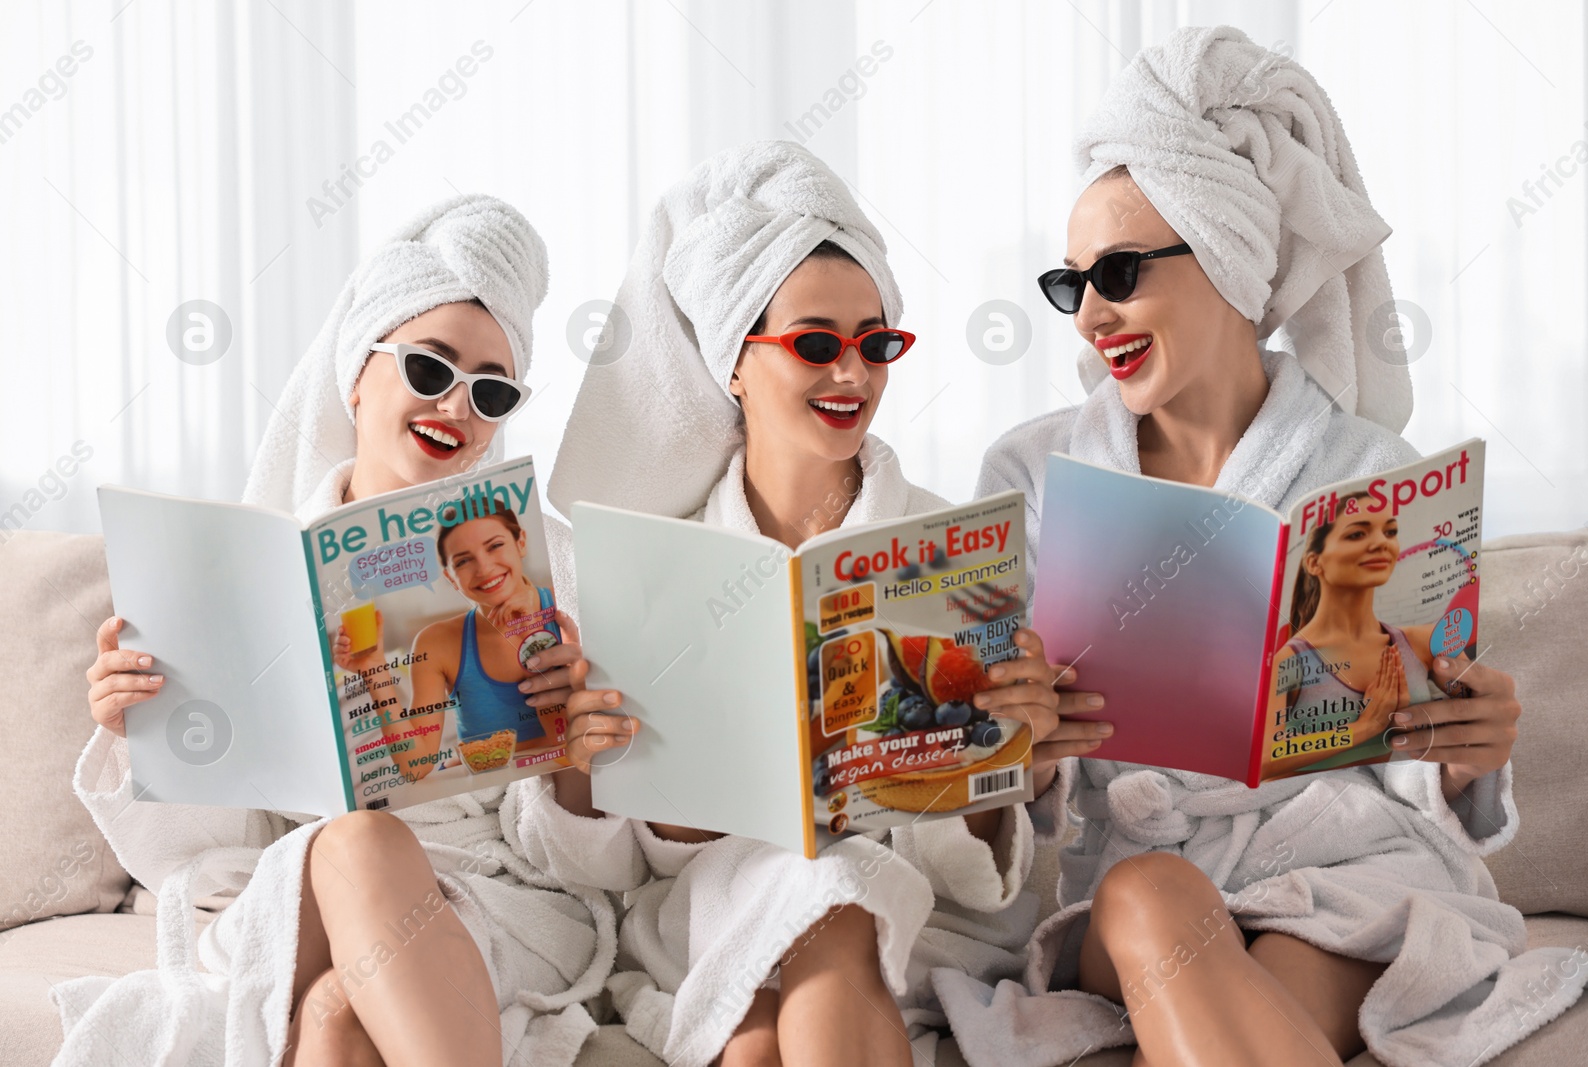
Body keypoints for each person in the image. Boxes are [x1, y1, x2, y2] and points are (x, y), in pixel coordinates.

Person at [930, 27, 1588, 1067]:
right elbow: (984, 781)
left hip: (1344, 870)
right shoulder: (1032, 474)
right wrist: (1021, 746)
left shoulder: (1367, 469)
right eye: (1072, 284)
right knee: (1152, 895)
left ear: (1230, 260)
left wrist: (1463, 754)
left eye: (1120, 270)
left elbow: (1410, 741)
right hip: (1138, 869)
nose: (1090, 313)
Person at [519, 140, 1061, 1067]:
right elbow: (601, 866)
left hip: (908, 910)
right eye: (816, 343)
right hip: (717, 904)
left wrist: (1016, 761)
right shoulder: (653, 563)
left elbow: (985, 879)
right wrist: (584, 764)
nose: (853, 374)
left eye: (876, 343)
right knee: (822, 901)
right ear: (735, 361)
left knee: (767, 1027)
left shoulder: (958, 552)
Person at [63, 196, 610, 1067]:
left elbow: (586, 853)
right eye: (430, 369)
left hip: (504, 894)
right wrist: (140, 729)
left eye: (491, 387)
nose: (458, 405)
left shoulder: (553, 569)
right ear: (357, 374)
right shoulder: (252, 567)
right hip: (308, 882)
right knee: (346, 869)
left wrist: (574, 739)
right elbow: (214, 848)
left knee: (332, 1009)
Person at [332, 500, 566, 780]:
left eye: (494, 545)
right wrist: (374, 671)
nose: (484, 568)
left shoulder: (566, 602)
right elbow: (416, 766)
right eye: (463, 561)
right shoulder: (437, 642)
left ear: (521, 543)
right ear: (451, 578)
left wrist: (532, 628)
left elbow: (564, 740)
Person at [1265, 492, 1443, 777]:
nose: (1381, 543)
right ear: (1314, 563)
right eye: (1357, 534)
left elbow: (1473, 713)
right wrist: (1365, 727)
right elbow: (1262, 760)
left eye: (1390, 532)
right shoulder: (1290, 660)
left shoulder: (1422, 642)